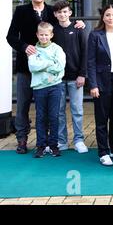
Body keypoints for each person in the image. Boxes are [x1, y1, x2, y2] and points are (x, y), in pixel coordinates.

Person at [7, 0, 85, 154]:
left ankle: (50, 142)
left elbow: (65, 25)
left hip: (49, 71)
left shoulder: (52, 12)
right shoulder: (21, 11)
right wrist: (24, 47)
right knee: (23, 105)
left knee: (50, 108)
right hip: (27, 67)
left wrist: (79, 23)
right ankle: (22, 139)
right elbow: (11, 37)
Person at [87, 5, 113, 166]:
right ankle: (103, 152)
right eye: (108, 15)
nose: (111, 18)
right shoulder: (95, 35)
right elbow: (90, 62)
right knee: (102, 119)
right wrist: (93, 84)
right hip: (102, 82)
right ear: (103, 17)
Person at [52, 0, 88, 153]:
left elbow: (85, 53)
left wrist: (82, 74)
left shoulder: (79, 29)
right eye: (59, 12)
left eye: (65, 11)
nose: (62, 14)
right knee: (59, 110)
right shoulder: (53, 31)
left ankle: (79, 140)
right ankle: (62, 141)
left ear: (70, 13)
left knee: (77, 110)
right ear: (55, 14)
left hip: (75, 77)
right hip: (58, 78)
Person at [28, 22, 66, 158]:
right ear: (37, 35)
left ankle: (54, 145)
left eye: (46, 35)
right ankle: (41, 146)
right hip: (39, 88)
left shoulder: (57, 49)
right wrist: (50, 62)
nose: (44, 37)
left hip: (55, 86)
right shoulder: (33, 50)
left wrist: (43, 65)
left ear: (51, 35)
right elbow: (33, 66)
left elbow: (60, 66)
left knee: (54, 116)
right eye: (41, 35)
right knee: (41, 117)